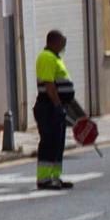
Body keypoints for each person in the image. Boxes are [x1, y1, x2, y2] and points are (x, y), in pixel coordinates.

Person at [35, 30, 77, 191]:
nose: (64, 45)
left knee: (58, 143)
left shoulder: (55, 57)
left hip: (55, 107)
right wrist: (57, 104)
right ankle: (44, 179)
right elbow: (49, 84)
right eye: (62, 42)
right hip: (48, 107)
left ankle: (55, 177)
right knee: (49, 143)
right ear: (53, 41)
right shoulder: (47, 57)